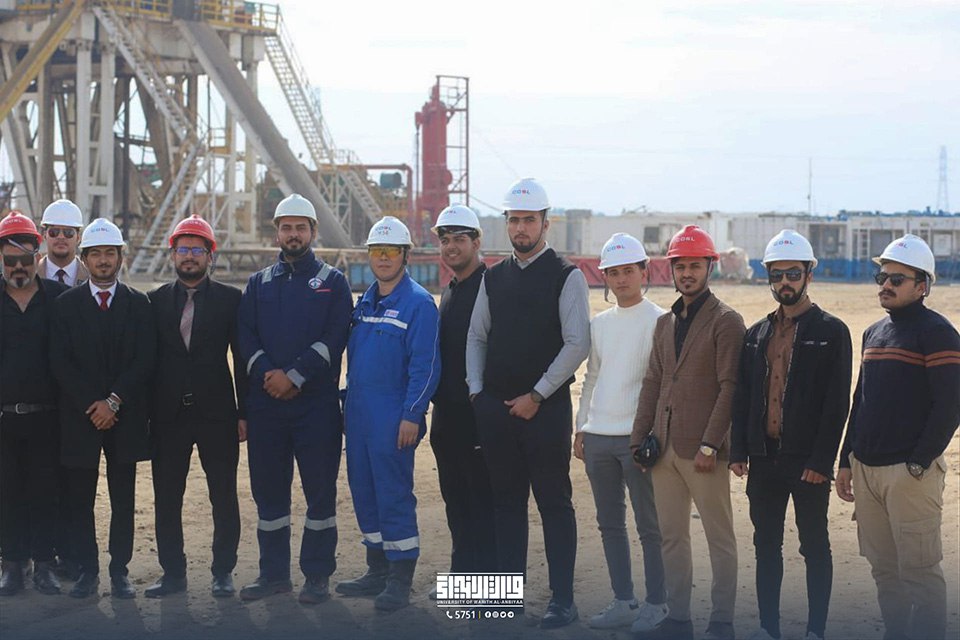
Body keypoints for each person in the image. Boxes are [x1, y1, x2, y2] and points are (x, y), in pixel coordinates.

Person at [466, 177, 590, 629]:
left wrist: (537, 395)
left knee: (554, 504)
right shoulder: (493, 277)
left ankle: (562, 601)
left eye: (529, 220)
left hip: (546, 412)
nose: (520, 228)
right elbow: (477, 336)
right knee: (507, 505)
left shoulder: (566, 275)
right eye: (514, 220)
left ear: (545, 223)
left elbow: (577, 343)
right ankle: (507, 598)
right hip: (498, 412)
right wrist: (476, 392)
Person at [730, 230, 853, 640]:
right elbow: (744, 396)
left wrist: (821, 461)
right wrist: (739, 450)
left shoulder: (832, 331)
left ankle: (816, 630)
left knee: (814, 546)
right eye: (777, 274)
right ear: (769, 276)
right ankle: (768, 628)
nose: (785, 282)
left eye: (793, 274)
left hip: (807, 464)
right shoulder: (756, 334)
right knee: (766, 545)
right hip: (763, 459)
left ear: (808, 275)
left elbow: (836, 404)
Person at [836, 234, 960, 640]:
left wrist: (919, 463)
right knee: (884, 571)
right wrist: (845, 460)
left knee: (920, 573)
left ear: (922, 286)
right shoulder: (873, 332)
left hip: (909, 475)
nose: (885, 285)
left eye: (896, 279)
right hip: (866, 471)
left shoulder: (938, 333)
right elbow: (861, 400)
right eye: (882, 277)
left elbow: (950, 406)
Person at [236, 194, 353, 604]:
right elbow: (245, 336)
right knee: (269, 493)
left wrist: (296, 376)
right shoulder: (258, 283)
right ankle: (273, 575)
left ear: (313, 232)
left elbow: (335, 337)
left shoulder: (333, 282)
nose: (293, 234)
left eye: (300, 227)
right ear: (277, 233)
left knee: (320, 493)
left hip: (315, 407)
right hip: (267, 406)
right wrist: (269, 374)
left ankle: (317, 576)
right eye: (286, 227)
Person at [630, 225, 745, 640]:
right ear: (672, 270)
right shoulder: (664, 323)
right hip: (663, 450)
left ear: (709, 267)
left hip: (704, 452)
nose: (687, 273)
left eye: (695, 266)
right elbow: (653, 382)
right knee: (672, 538)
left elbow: (731, 387)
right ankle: (678, 619)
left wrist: (711, 445)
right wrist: (638, 440)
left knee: (719, 538)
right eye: (681, 267)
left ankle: (722, 621)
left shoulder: (727, 321)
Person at [337, 216, 440, 612]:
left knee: (393, 493)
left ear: (405, 255)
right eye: (377, 251)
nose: (383, 258)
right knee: (364, 491)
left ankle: (400, 577)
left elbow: (425, 366)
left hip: (393, 416)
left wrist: (412, 414)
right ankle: (376, 570)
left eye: (391, 251)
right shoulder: (364, 302)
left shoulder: (418, 304)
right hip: (359, 413)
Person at [49, 217, 155, 599]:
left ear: (121, 257)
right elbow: (60, 362)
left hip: (123, 416)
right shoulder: (65, 306)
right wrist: (92, 405)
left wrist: (113, 401)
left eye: (110, 253)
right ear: (85, 259)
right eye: (96, 254)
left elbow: (145, 359)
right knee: (79, 498)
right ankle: (87, 571)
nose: (104, 261)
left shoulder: (139, 304)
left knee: (123, 498)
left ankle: (119, 570)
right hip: (81, 418)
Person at [144, 215, 247, 599]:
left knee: (224, 495)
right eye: (183, 249)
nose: (189, 256)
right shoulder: (154, 301)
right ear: (173, 254)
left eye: (197, 250)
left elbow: (242, 358)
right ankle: (173, 573)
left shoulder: (231, 300)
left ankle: (223, 572)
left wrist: (244, 413)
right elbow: (147, 362)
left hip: (217, 414)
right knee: (167, 497)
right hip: (168, 416)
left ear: (210, 256)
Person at [573, 233, 669, 632]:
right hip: (598, 437)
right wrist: (581, 427)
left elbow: (664, 385)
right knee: (610, 524)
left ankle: (658, 603)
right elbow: (592, 377)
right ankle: (623, 600)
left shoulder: (662, 321)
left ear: (644, 272)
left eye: (628, 271)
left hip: (637, 441)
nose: (621, 279)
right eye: (613, 273)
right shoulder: (599, 325)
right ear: (605, 277)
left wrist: (652, 436)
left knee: (650, 526)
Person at [0, 212, 68, 597]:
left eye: (25, 260)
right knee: (7, 493)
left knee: (46, 492)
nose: (19, 268)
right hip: (3, 418)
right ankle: (12, 564)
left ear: (36, 257)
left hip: (48, 417)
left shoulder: (58, 300)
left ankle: (44, 564)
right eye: (10, 261)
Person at [429, 205, 496, 584]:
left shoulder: (492, 288)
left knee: (482, 505)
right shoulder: (451, 290)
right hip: (447, 419)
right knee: (455, 503)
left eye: (459, 239)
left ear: (477, 242)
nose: (451, 247)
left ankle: (489, 594)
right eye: (445, 240)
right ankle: (463, 580)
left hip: (478, 419)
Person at [37, 199, 88, 286]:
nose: (61, 237)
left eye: (68, 233)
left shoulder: (91, 277)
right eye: (54, 232)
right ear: (45, 235)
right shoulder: (31, 276)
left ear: (78, 237)